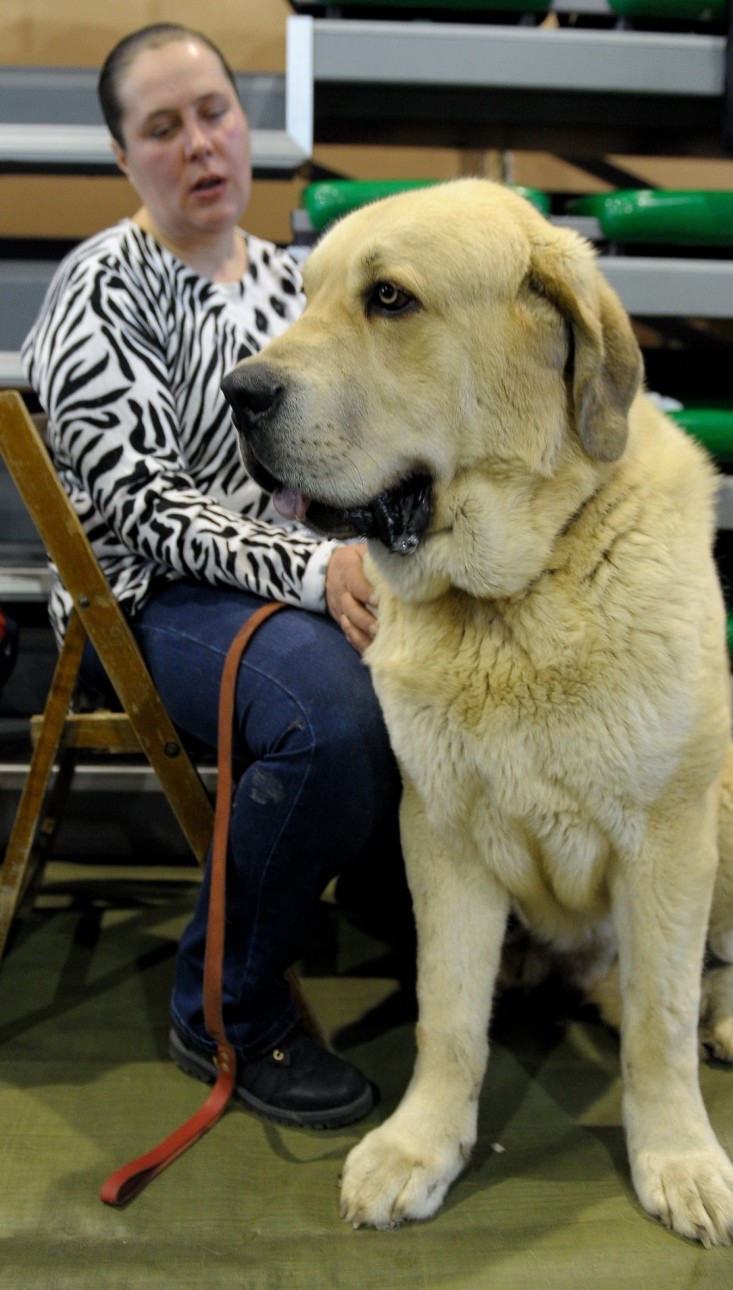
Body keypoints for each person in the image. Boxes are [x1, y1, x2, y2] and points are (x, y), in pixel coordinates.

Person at [22, 23, 403, 1129]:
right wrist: (312, 564)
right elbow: (140, 503)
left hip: (297, 582)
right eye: (161, 127)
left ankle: (408, 914)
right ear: (122, 154)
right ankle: (222, 1009)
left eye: (214, 113)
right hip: (147, 599)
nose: (198, 143)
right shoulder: (106, 285)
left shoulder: (296, 280)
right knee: (332, 720)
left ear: (246, 126)